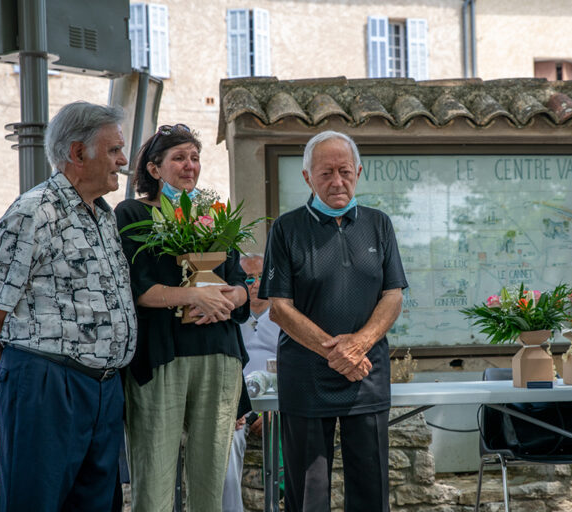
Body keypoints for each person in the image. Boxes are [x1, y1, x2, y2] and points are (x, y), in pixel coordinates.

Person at [0, 101, 137, 511]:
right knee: (36, 501)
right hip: (46, 384)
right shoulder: (33, 211)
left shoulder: (104, 215)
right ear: (79, 153)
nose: (123, 159)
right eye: (114, 149)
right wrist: (19, 370)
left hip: (102, 387)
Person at [259, 130, 407, 511]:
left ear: (358, 171)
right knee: (307, 495)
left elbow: (393, 296)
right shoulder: (286, 229)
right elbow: (279, 307)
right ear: (307, 177)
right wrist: (338, 351)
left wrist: (358, 344)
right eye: (325, 173)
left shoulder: (379, 224)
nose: (337, 181)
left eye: (344, 171)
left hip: (366, 373)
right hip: (306, 377)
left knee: (371, 491)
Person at [115, 123, 250, 511]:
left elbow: (240, 283)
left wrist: (228, 297)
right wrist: (195, 296)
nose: (190, 165)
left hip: (218, 352)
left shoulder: (215, 213)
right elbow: (137, 288)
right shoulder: (133, 212)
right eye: (179, 157)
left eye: (194, 157)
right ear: (155, 169)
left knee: (213, 481)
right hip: (162, 356)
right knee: (154, 476)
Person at [222, 253, 280, 512]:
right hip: (237, 400)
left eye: (260, 277)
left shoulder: (285, 315)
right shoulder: (227, 317)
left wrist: (274, 407)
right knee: (228, 438)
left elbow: (296, 368)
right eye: (248, 278)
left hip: (278, 400)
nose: (255, 283)